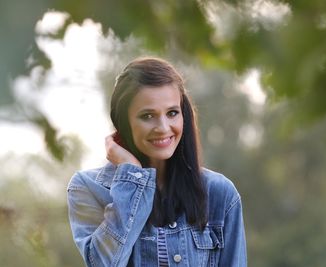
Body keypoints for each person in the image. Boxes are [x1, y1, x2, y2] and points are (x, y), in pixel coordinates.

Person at [67, 57, 247, 267]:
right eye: (147, 115)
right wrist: (133, 177)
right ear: (124, 122)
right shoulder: (87, 188)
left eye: (172, 113)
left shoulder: (220, 193)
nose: (163, 127)